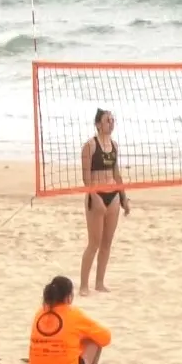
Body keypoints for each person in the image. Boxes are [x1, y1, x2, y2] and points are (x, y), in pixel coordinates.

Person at [79, 108, 130, 296]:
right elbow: (86, 179)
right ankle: (84, 285)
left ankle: (99, 283)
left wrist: (124, 197)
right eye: (108, 120)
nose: (111, 122)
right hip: (96, 196)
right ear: (98, 124)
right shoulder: (90, 146)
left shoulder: (114, 145)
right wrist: (95, 197)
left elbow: (117, 175)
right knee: (94, 243)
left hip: (113, 197)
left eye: (112, 119)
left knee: (107, 243)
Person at [29, 275, 112, 364]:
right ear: (68, 297)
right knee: (94, 340)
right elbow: (106, 338)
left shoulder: (40, 313)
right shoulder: (73, 313)